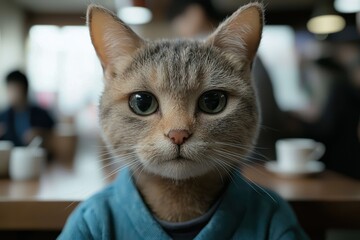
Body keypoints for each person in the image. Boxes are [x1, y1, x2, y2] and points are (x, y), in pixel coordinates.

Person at [0, 70, 55, 147]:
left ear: (25, 90)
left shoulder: (41, 115)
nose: (11, 94)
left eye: (15, 89)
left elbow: (55, 135)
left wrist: (42, 134)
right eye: (9, 89)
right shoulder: (3, 117)